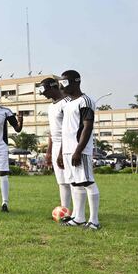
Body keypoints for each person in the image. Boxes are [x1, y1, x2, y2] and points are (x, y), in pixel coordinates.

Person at [56, 70, 101, 230]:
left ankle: (94, 221)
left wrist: (78, 150)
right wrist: (61, 152)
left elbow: (87, 127)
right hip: (67, 150)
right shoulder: (67, 103)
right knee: (75, 184)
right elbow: (65, 130)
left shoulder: (86, 101)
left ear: (76, 82)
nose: (62, 85)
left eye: (65, 82)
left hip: (80, 150)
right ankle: (79, 217)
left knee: (88, 182)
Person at [37, 78, 72, 212]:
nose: (43, 95)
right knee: (61, 181)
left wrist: (62, 152)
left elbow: (68, 129)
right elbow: (53, 131)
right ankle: (65, 210)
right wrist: (49, 151)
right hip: (56, 145)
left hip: (68, 144)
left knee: (72, 180)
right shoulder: (51, 106)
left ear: (53, 88)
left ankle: (77, 213)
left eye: (44, 91)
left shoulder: (68, 103)